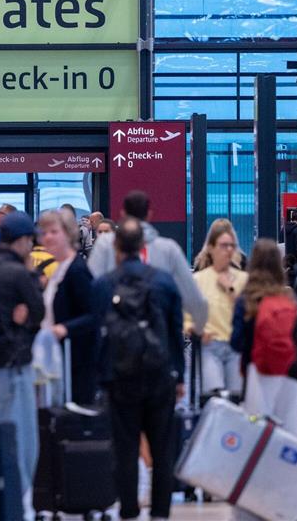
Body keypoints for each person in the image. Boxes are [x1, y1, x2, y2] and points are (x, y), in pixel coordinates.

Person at [94, 217, 184, 521]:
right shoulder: (163, 281)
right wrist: (179, 375)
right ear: (143, 248)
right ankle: (160, 512)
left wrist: (100, 376)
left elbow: (97, 334)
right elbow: (175, 331)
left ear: (117, 247)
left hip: (120, 377)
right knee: (162, 448)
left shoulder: (105, 284)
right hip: (159, 376)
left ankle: (129, 510)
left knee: (125, 447)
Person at [0, 211, 45, 514]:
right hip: (15, 362)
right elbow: (38, 312)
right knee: (22, 440)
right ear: (21, 241)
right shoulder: (18, 274)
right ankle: (15, 503)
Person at [88, 190, 208, 334]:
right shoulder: (168, 249)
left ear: (123, 214)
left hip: (114, 337)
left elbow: (90, 293)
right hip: (157, 337)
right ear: (149, 215)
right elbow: (195, 300)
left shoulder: (105, 245)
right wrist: (197, 330)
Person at [230, 239, 297, 437]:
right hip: (289, 374)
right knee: (290, 431)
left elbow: (236, 342)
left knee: (256, 429)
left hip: (258, 373)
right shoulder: (289, 299)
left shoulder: (246, 300)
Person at [39, 208, 99, 404]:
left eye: (54, 232)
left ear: (68, 233)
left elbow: (93, 315)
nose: (48, 237)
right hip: (59, 358)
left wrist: (63, 329)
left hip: (76, 362)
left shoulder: (77, 271)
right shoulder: (58, 270)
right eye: (44, 232)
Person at [187, 220, 247, 395]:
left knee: (229, 394)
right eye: (222, 245)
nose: (227, 250)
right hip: (214, 337)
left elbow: (246, 305)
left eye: (230, 245)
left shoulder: (240, 273)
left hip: (230, 337)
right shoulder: (202, 273)